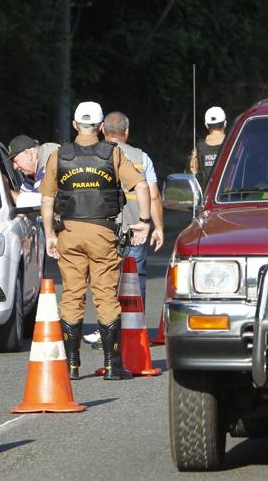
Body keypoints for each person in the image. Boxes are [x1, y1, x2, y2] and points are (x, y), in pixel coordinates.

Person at [39, 101, 151, 381]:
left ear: (74, 125)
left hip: (69, 232)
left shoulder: (58, 156)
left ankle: (71, 366)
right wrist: (144, 221)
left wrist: (50, 234)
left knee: (73, 295)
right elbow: (141, 185)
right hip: (103, 232)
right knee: (105, 296)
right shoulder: (112, 155)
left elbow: (47, 199)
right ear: (101, 128)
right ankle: (113, 365)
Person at [83, 111, 164, 348]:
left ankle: (105, 331)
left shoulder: (91, 155)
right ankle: (134, 332)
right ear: (126, 132)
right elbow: (154, 195)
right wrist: (157, 227)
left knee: (103, 279)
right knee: (134, 279)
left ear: (102, 130)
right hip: (133, 229)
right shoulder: (141, 157)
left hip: (99, 228)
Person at [189, 106, 227, 190]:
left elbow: (193, 171)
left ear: (206, 125)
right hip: (232, 195)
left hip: (208, 198)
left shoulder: (199, 148)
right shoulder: (234, 143)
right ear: (225, 123)